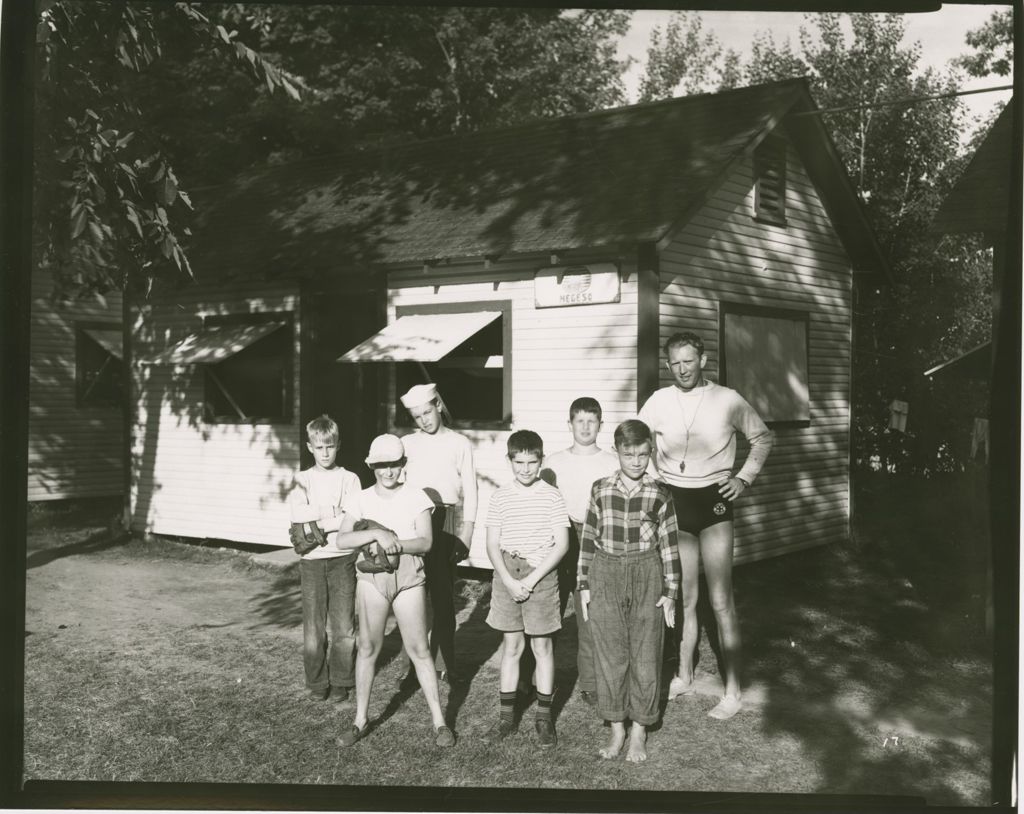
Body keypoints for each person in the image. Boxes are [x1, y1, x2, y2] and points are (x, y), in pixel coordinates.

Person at [638, 331, 773, 721]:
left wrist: (743, 478)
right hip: (674, 501)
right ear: (668, 365)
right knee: (684, 597)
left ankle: (733, 691)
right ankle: (684, 673)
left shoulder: (727, 399)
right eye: (675, 363)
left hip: (713, 503)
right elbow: (634, 439)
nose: (682, 369)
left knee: (721, 600)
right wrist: (649, 478)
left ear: (703, 359)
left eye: (689, 361)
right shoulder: (658, 401)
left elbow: (762, 438)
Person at [332, 433, 456, 748]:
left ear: (403, 465)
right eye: (381, 466)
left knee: (419, 649)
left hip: (408, 578)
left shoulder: (417, 497)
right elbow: (342, 540)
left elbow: (426, 542)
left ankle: (440, 722)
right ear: (372, 465)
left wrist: (393, 541)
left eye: (394, 465)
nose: (388, 472)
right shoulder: (361, 498)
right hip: (372, 579)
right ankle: (360, 720)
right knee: (369, 648)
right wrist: (375, 532)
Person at [578, 419, 680, 762]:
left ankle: (639, 728)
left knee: (646, 652)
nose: (635, 461)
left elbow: (669, 544)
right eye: (628, 454)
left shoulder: (660, 492)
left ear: (650, 452)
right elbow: (588, 538)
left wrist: (670, 591)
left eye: (642, 454)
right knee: (610, 653)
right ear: (617, 452)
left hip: (646, 570)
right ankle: (617, 726)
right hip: (605, 571)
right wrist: (583, 584)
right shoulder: (600, 489)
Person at [482, 429, 569, 747]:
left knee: (542, 648)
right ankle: (506, 719)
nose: (526, 469)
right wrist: (507, 579)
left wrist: (531, 581)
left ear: (541, 460)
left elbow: (561, 545)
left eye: (532, 462)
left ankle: (544, 719)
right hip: (507, 575)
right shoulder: (500, 496)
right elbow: (492, 544)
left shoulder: (551, 495)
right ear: (510, 460)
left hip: (541, 576)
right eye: (519, 462)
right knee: (512, 648)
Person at [540, 396, 618, 706]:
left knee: (589, 611)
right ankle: (535, 679)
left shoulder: (611, 461)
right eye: (579, 421)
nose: (585, 427)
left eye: (592, 421)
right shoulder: (554, 462)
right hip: (560, 536)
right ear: (569, 424)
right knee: (548, 609)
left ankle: (590, 681)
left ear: (601, 424)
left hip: (596, 536)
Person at [398, 383, 477, 684]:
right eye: (417, 416)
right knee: (411, 594)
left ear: (439, 406)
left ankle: (445, 663)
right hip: (415, 521)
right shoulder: (407, 443)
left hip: (446, 519)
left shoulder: (460, 443)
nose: (424, 420)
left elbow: (470, 488)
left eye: (428, 413)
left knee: (443, 596)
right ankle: (411, 665)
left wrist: (467, 532)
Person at [288, 415, 362, 702]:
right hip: (312, 560)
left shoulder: (350, 479)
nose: (325, 453)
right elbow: (297, 515)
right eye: (319, 447)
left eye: (330, 446)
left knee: (344, 625)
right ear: (310, 447)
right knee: (313, 627)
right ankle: (317, 682)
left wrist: (316, 522)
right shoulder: (301, 479)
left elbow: (353, 520)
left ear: (338, 445)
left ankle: (342, 679)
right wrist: (333, 512)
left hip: (342, 558)